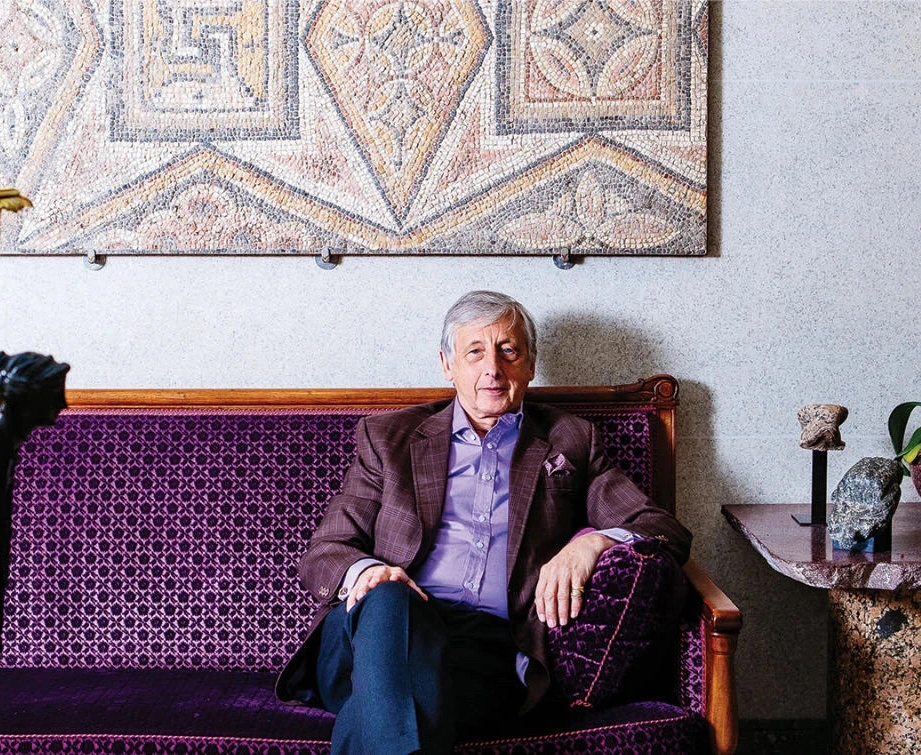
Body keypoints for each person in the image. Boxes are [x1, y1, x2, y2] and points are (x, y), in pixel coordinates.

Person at [275, 291, 691, 754]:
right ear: (447, 364)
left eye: (508, 350)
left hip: (485, 655)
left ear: (530, 364)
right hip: (371, 636)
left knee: (405, 698)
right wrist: (368, 573)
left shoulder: (569, 440)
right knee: (391, 601)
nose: (492, 368)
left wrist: (592, 543)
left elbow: (661, 528)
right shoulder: (389, 438)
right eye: (474, 351)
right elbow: (326, 550)